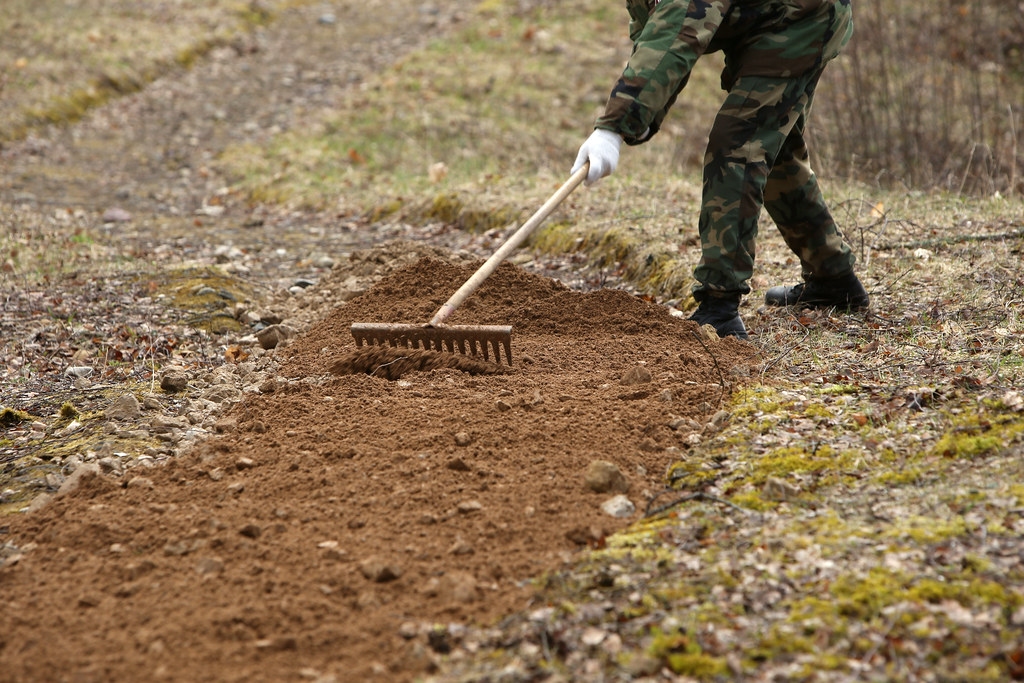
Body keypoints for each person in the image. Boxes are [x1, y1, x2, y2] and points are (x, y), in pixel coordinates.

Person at [572, 0, 869, 341]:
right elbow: (661, 43)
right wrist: (629, 126)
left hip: (803, 17)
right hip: (765, 21)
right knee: (774, 149)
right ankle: (834, 278)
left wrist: (614, 126)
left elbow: (677, 30)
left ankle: (719, 306)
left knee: (738, 146)